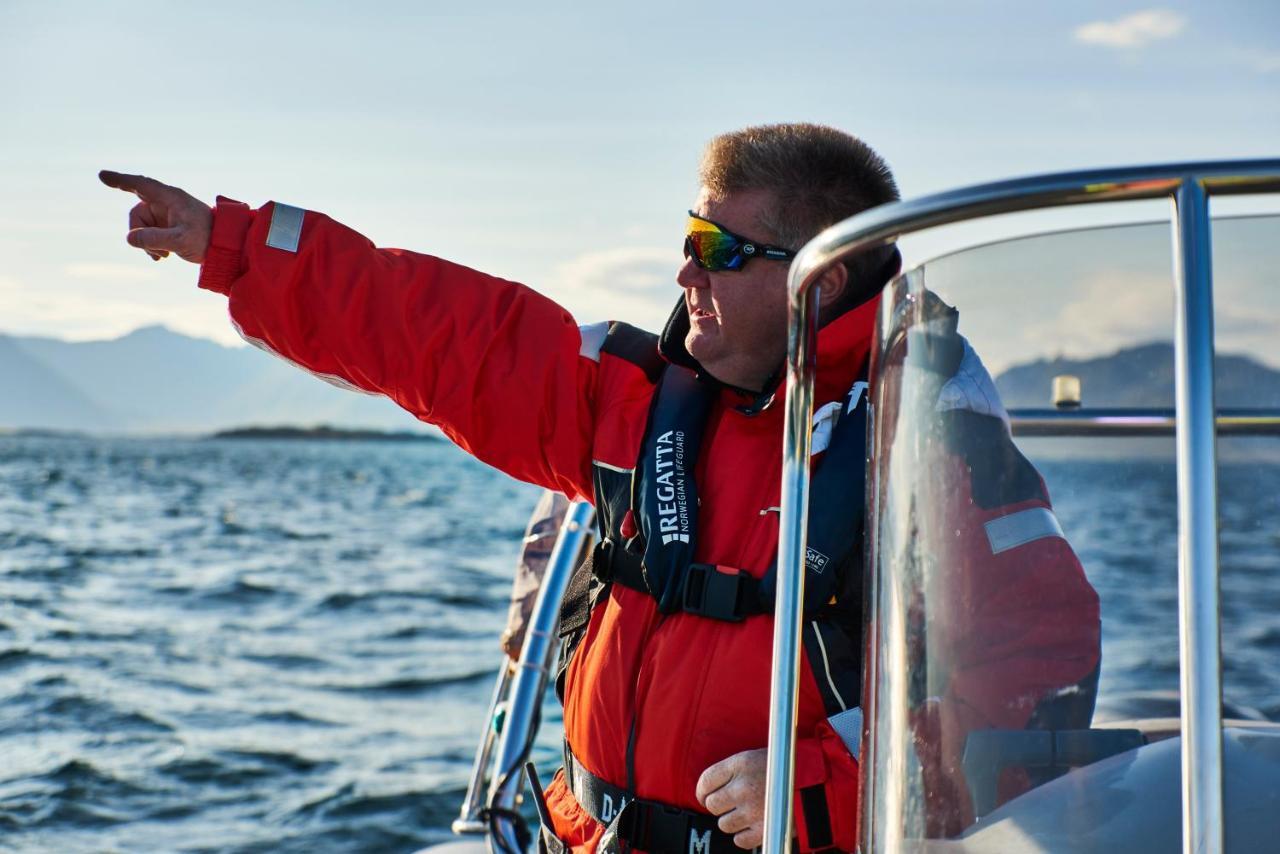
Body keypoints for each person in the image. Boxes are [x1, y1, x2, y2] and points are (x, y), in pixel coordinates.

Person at [101, 123, 1098, 852]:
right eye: (688, 236)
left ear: (818, 282)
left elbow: (1029, 673)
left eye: (717, 249)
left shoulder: (926, 442)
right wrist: (228, 246)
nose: (683, 270)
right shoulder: (631, 403)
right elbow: (438, 331)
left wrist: (835, 787)